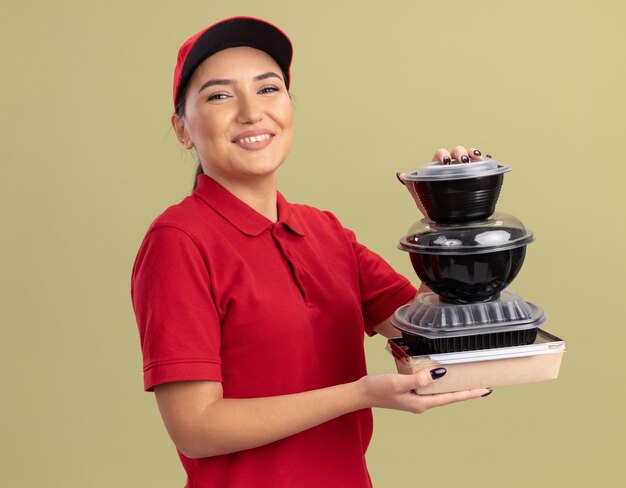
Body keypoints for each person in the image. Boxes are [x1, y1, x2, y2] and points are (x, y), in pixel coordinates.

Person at [131, 16, 491, 488]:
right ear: (182, 129)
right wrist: (358, 394)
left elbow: (429, 336)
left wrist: (451, 216)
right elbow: (195, 428)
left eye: (268, 89)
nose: (250, 112)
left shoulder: (325, 232)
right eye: (219, 95)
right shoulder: (179, 240)